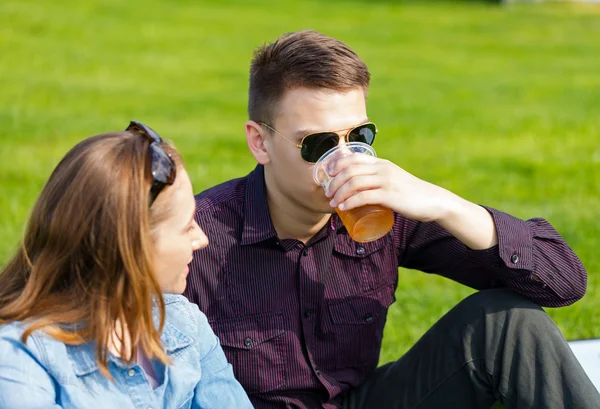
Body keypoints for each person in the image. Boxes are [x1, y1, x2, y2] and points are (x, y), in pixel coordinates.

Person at [184, 30, 600, 409]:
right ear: (260, 142)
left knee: (510, 321)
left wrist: (444, 204)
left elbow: (564, 282)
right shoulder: (197, 236)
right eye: (319, 144)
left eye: (359, 137)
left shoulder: (385, 210)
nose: (344, 160)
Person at [0, 122, 253, 409]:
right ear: (133, 246)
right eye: (186, 227)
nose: (202, 239)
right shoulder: (21, 360)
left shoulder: (185, 323)